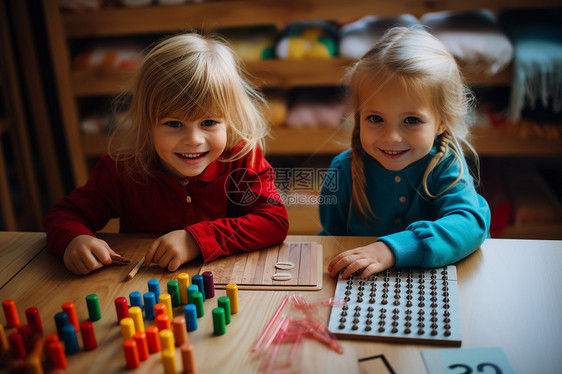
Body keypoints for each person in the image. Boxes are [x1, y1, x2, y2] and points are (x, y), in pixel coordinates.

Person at [45, 32, 289, 275]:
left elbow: (274, 221)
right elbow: (65, 214)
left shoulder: (242, 159)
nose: (193, 140)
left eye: (208, 122)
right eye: (174, 124)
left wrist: (194, 241)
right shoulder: (121, 169)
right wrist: (74, 240)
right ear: (147, 124)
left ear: (229, 120)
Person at [319, 27, 490, 279]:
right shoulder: (343, 169)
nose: (391, 137)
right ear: (357, 117)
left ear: (443, 121)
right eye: (375, 118)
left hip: (439, 283)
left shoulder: (447, 164)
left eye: (411, 120)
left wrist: (389, 250)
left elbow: (470, 225)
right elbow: (331, 238)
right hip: (360, 288)